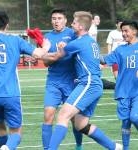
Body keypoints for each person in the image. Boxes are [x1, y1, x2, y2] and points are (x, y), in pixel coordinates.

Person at [47, 11, 122, 150]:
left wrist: (38, 55)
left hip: (88, 83)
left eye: (74, 22)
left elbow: (56, 56)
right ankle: (114, 147)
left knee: (63, 115)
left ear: (81, 26)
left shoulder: (77, 43)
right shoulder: (91, 41)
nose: (72, 24)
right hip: (95, 84)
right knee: (80, 124)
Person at [0, 10, 49, 150]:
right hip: (11, 93)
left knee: (0, 127)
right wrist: (46, 45)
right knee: (16, 133)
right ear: (7, 25)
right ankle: (6, 148)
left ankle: (5, 147)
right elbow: (39, 54)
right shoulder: (16, 40)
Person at [41, 8, 83, 150]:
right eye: (54, 18)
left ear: (66, 20)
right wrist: (57, 53)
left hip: (71, 82)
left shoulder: (73, 34)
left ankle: (78, 146)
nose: (56, 21)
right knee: (48, 115)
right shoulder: (47, 37)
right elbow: (45, 62)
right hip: (53, 82)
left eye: (59, 18)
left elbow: (81, 52)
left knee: (73, 120)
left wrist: (68, 48)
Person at [101, 20, 138, 150]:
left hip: (137, 92)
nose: (123, 33)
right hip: (123, 91)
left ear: (135, 31)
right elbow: (104, 59)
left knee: (135, 117)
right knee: (126, 122)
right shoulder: (120, 50)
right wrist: (89, 52)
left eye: (126, 30)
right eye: (122, 31)